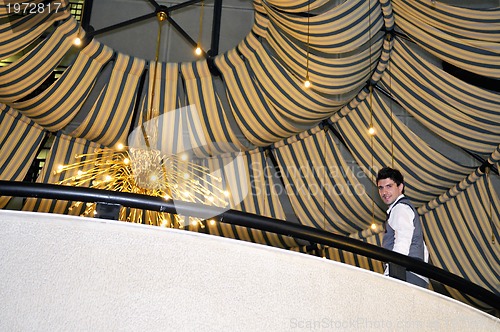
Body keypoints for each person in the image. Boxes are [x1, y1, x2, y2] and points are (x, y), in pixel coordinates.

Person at [376, 167, 429, 288]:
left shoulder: (400, 208)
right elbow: (423, 248)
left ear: (400, 187)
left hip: (405, 273)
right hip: (415, 273)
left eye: (389, 186)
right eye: (381, 188)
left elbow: (402, 242)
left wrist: (391, 275)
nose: (384, 192)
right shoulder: (405, 207)